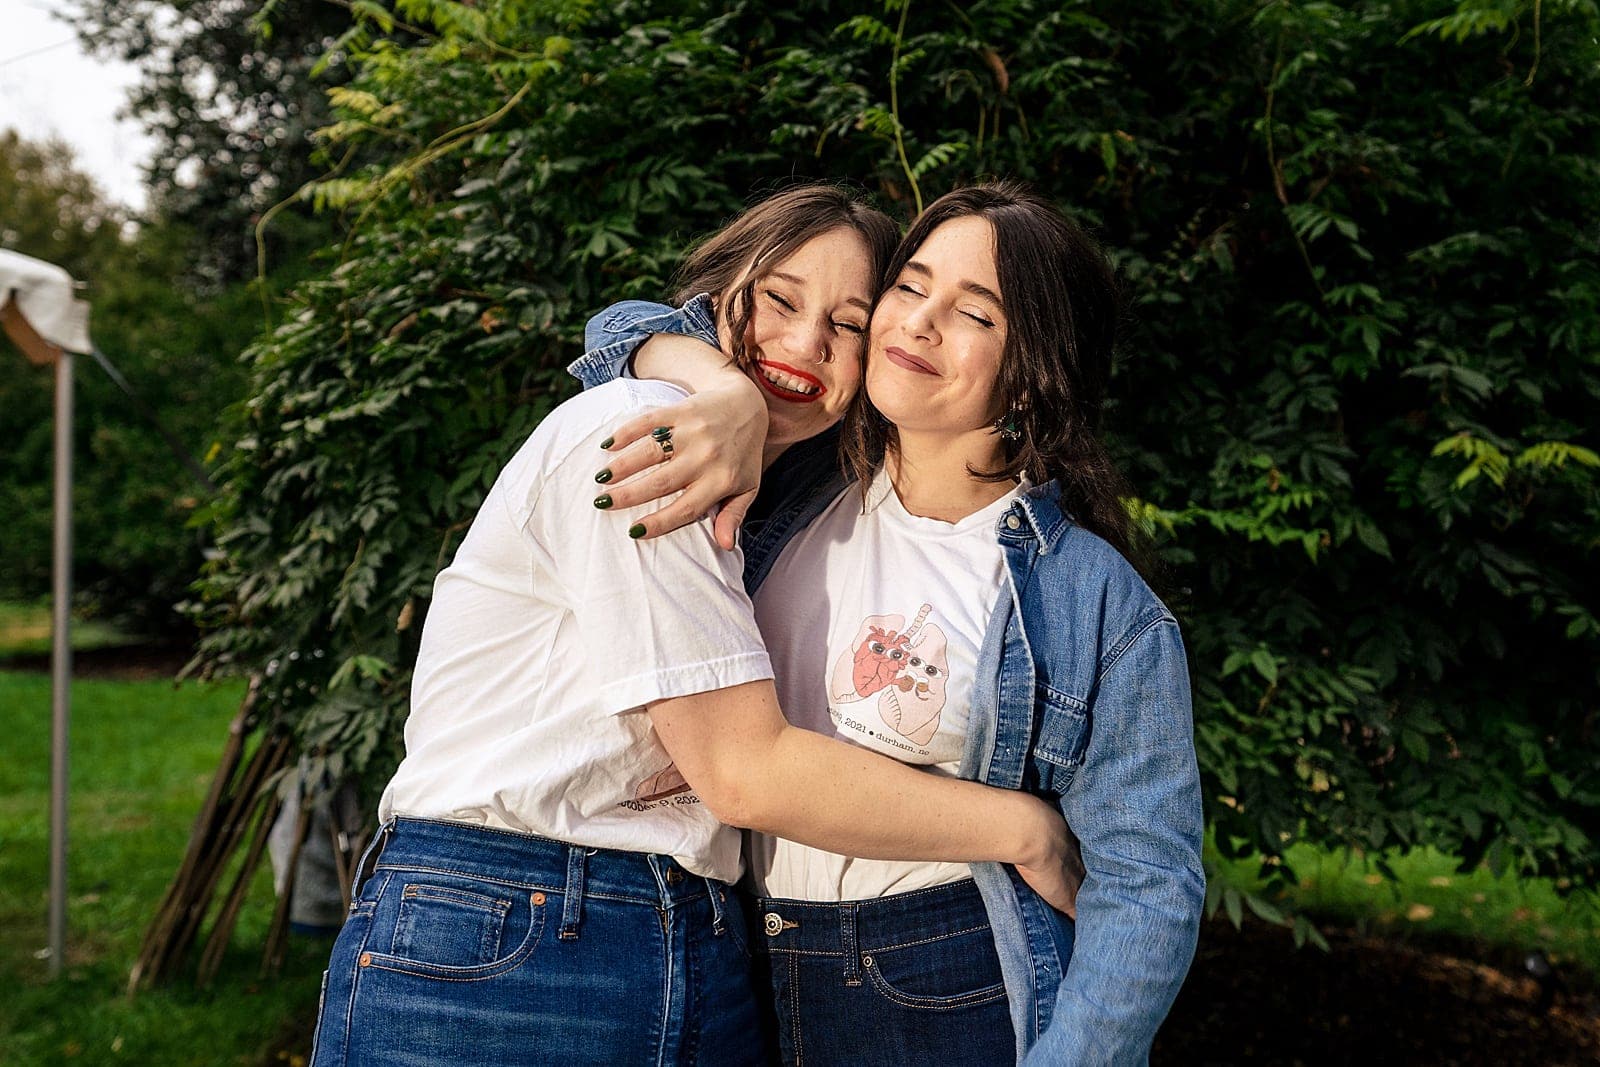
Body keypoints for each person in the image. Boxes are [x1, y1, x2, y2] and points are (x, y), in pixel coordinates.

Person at [307, 184, 1084, 1067]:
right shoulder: (644, 436)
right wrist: (1026, 828)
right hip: (512, 928)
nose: (804, 344)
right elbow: (746, 772)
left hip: (690, 934)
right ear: (717, 299)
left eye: (850, 324)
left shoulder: (793, 508)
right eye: (781, 300)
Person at [573, 182, 1206, 1065]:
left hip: (943, 979)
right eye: (909, 288)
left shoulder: (1091, 601)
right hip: (738, 961)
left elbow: (1150, 885)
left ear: (1034, 365)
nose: (919, 322)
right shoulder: (785, 488)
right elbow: (617, 328)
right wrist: (728, 391)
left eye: (974, 312)